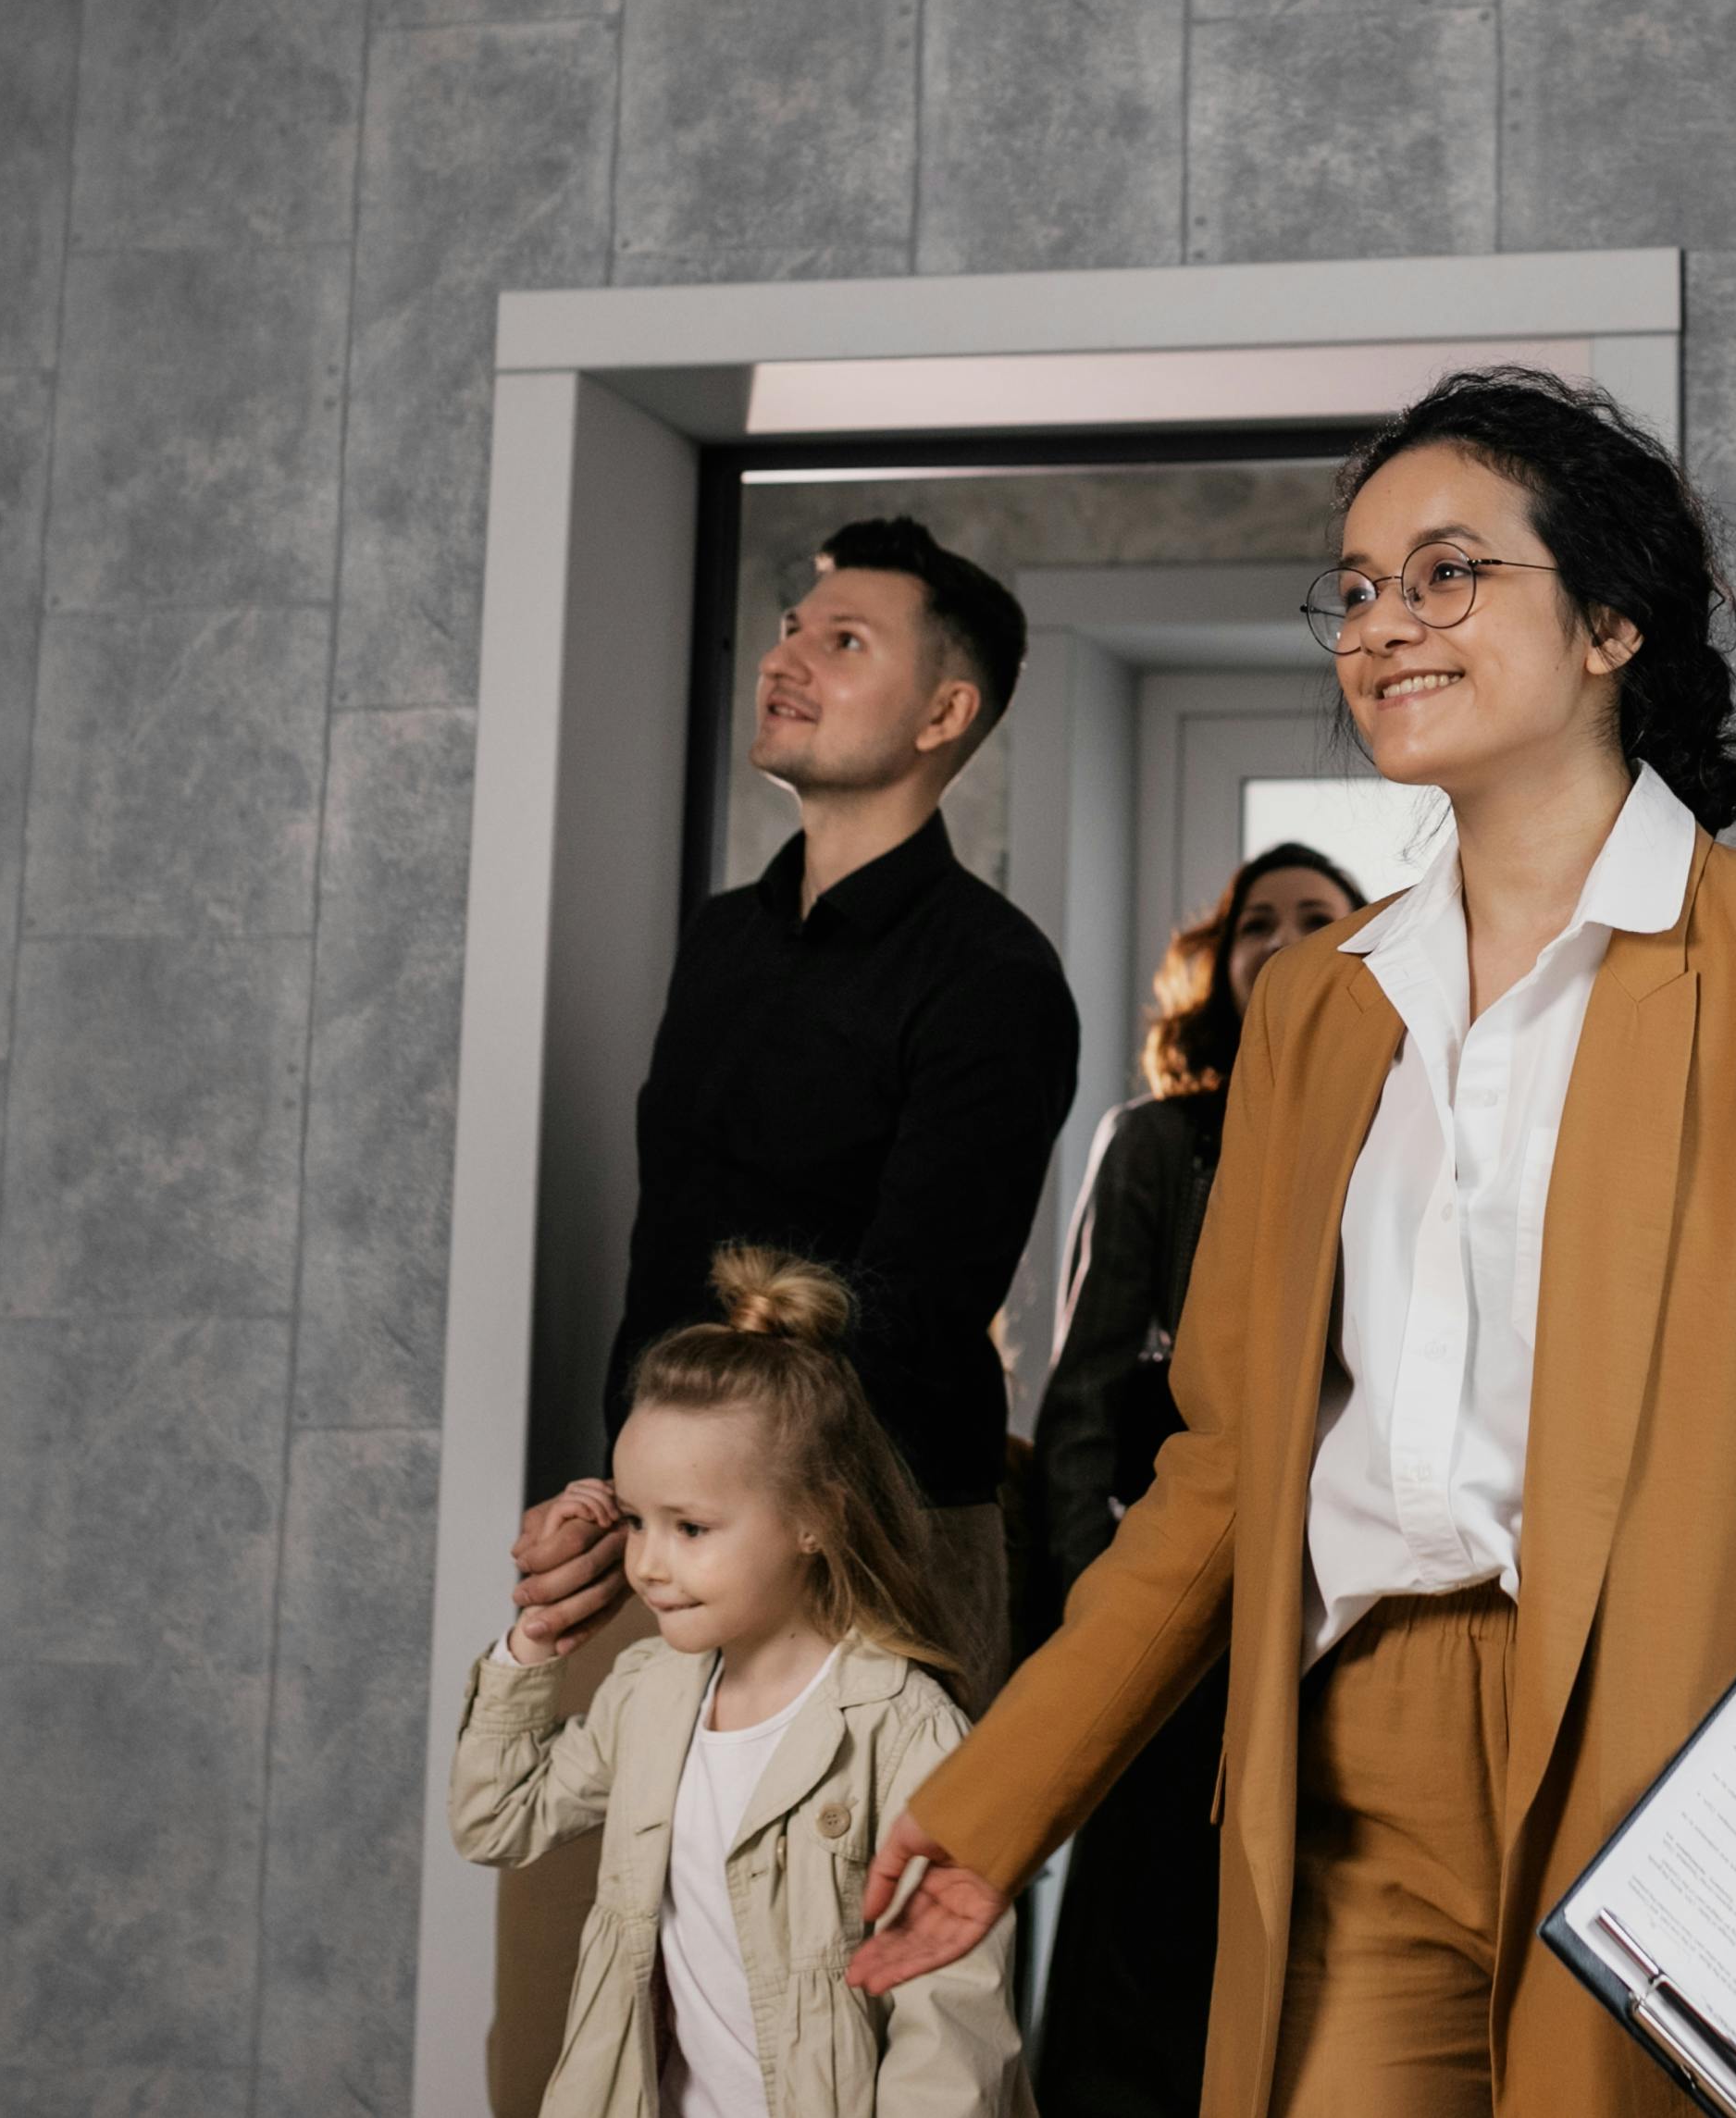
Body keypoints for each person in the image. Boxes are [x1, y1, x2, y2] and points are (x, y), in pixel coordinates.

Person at [846, 370, 1736, 2118]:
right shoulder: (1323, 1015)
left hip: (1673, 1755)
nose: (1383, 624)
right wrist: (1000, 1796)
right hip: (1354, 1756)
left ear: (1611, 621)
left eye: (1446, 572)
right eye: (1354, 585)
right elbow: (1225, 1470)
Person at [492, 515, 1077, 2117]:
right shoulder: (724, 939)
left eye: (845, 639)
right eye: (791, 627)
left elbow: (914, 1305)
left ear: (946, 713)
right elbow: (658, 1258)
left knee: (854, 2027)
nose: (788, 655)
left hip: (884, 1531)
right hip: (668, 1525)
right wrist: (615, 1501)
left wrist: (710, 1498)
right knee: (597, 2020)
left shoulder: (995, 974)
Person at [454, 1248, 1030, 2118]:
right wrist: (535, 1638)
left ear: (814, 1518)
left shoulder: (907, 1731)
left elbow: (949, 2022)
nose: (648, 1563)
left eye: (691, 1526)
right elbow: (496, 1817)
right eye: (638, 1520)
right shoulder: (648, 1692)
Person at [1029, 841, 1366, 2118]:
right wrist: (1091, 1607)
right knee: (1143, 1952)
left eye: (1315, 915)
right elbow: (1080, 1398)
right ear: (1217, 965)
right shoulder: (1158, 1145)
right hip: (1177, 1600)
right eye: (1256, 920)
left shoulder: (1412, 1124)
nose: (1283, 936)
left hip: (1340, 1604)